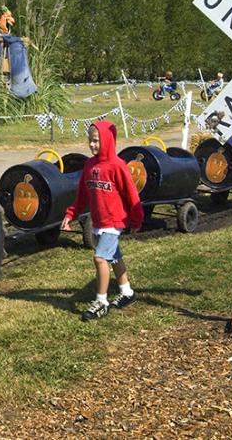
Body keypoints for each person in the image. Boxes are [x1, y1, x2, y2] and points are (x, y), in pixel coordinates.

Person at [60, 121, 144, 321]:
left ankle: (101, 301)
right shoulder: (89, 165)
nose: (92, 145)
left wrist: (137, 219)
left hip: (114, 222)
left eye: (96, 141)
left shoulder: (117, 166)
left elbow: (132, 195)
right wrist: (71, 214)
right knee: (114, 256)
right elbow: (82, 196)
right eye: (90, 141)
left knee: (100, 258)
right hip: (98, 221)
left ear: (107, 140)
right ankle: (127, 292)